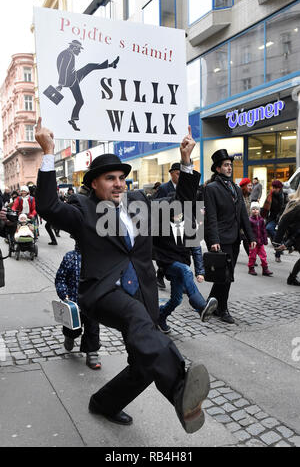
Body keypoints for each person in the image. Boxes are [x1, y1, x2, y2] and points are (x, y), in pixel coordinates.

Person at [35, 118, 210, 434]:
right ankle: (181, 385)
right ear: (94, 185)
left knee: (144, 361)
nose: (118, 183)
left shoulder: (139, 203)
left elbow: (180, 204)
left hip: (142, 291)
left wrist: (186, 162)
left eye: (121, 178)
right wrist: (47, 152)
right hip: (103, 290)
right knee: (138, 321)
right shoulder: (82, 209)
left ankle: (104, 403)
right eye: (109, 178)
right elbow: (47, 206)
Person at [204, 149, 256, 324]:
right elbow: (210, 216)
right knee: (226, 276)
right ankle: (223, 308)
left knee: (225, 275)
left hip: (234, 239)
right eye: (225, 165)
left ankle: (210, 303)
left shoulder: (235, 188)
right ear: (217, 169)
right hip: (221, 239)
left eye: (230, 165)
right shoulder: (211, 188)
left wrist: (252, 237)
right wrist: (214, 241)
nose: (229, 168)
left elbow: (243, 216)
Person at [154, 210, 218, 334]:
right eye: (174, 213)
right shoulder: (160, 226)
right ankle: (201, 306)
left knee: (176, 299)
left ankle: (160, 316)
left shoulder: (188, 224)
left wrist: (200, 271)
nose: (178, 216)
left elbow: (196, 248)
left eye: (180, 213)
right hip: (168, 264)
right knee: (186, 271)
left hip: (182, 263)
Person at [55, 242, 101, 369]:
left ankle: (92, 352)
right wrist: (64, 294)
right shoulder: (70, 257)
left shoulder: (97, 259)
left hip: (92, 303)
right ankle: (70, 337)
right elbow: (61, 278)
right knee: (72, 329)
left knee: (93, 328)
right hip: (74, 304)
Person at [56, 40, 120, 131]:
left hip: (73, 76)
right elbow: (63, 70)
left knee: (89, 66)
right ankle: (73, 120)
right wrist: (61, 85)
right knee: (80, 101)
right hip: (71, 81)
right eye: (79, 49)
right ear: (74, 47)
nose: (79, 51)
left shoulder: (67, 53)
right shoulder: (68, 55)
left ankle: (111, 64)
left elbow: (65, 69)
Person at [153, 163, 181, 289]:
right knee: (167, 254)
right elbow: (156, 206)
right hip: (166, 226)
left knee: (180, 253)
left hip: (180, 225)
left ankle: (181, 281)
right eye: (177, 173)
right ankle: (160, 274)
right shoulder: (164, 188)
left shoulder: (184, 188)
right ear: (171, 174)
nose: (180, 176)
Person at [273, 184, 300, 286]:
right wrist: (278, 241)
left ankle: (292, 278)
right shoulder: (296, 205)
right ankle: (292, 278)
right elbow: (283, 220)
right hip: (296, 236)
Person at [261, 180, 285, 263]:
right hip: (273, 218)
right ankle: (281, 244)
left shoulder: (284, 196)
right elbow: (265, 207)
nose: (274, 189)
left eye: (276, 188)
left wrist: (280, 217)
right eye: (273, 187)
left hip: (282, 218)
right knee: (268, 229)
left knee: (278, 235)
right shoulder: (270, 195)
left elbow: (284, 208)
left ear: (280, 188)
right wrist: (264, 215)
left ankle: (278, 255)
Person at [248, 202, 273, 277]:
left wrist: (265, 240)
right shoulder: (249, 220)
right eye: (253, 209)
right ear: (251, 211)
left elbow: (264, 231)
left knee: (263, 255)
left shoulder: (261, 220)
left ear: (259, 210)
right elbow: (249, 232)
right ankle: (251, 268)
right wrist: (250, 240)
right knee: (252, 256)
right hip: (253, 242)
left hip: (261, 242)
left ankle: (265, 269)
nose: (255, 210)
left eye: (257, 209)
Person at [239, 178, 252, 256]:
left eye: (251, 186)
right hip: (238, 223)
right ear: (244, 187)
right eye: (249, 186)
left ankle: (251, 257)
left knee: (246, 240)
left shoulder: (249, 196)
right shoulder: (239, 196)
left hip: (246, 223)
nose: (250, 187)